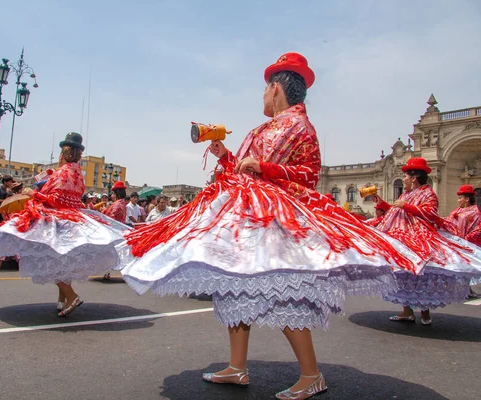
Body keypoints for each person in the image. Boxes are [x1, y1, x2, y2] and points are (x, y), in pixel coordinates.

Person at [118, 53, 422, 399]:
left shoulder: (299, 127)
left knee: (280, 291)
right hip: (249, 215)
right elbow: (247, 169)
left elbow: (308, 175)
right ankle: (237, 367)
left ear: (275, 88)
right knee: (232, 287)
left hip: (277, 222)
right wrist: (225, 156)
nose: (262, 96)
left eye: (265, 89)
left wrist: (267, 169)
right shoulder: (266, 128)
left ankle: (311, 374)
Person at [0, 132, 127, 316]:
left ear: (64, 153)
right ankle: (62, 298)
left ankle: (71, 296)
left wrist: (33, 194)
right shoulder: (77, 172)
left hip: (58, 219)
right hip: (72, 218)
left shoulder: (64, 172)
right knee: (60, 259)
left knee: (47, 258)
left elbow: (56, 200)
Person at [373, 158, 481, 325]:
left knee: (422, 273)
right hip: (402, 238)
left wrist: (406, 206)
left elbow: (431, 214)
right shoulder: (406, 194)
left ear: (414, 178)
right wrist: (382, 203)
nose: (404, 179)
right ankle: (406, 311)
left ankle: (425, 312)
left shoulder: (428, 193)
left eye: (406, 176)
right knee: (403, 274)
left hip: (419, 239)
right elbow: (396, 212)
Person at [445, 184, 481, 299]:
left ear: (467, 199)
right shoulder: (456, 210)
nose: (458, 200)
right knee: (457, 265)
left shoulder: (475, 211)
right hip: (455, 242)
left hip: (467, 243)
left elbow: (478, 228)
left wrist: (468, 238)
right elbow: (448, 223)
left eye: (460, 198)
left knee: (466, 266)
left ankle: (467, 289)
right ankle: (461, 289)